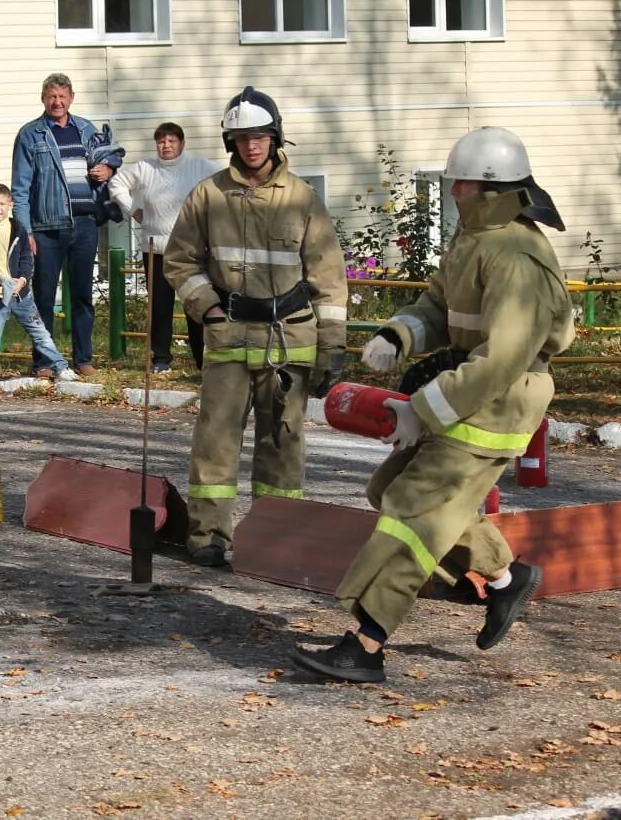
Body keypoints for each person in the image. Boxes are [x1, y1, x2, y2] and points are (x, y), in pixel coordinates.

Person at [292, 126, 575, 683]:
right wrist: (399, 335)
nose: (451, 192)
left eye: (459, 183)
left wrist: (421, 409)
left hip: (496, 404)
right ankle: (505, 578)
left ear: (486, 187)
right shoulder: (475, 240)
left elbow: (501, 360)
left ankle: (367, 644)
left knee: (415, 509)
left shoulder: (517, 254)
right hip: (472, 394)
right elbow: (440, 308)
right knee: (388, 491)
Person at [165, 87, 348, 567]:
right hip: (228, 335)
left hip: (290, 340)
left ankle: (277, 538)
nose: (252, 146)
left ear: (275, 137)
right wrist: (208, 308)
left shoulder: (303, 198)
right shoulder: (208, 195)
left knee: (282, 446)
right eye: (243, 138)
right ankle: (208, 538)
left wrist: (333, 346)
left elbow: (327, 275)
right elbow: (180, 261)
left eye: (261, 136)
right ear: (231, 141)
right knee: (215, 444)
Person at [11, 73, 115, 377]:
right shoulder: (31, 135)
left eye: (62, 96)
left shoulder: (86, 129)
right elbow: (20, 188)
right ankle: (44, 361)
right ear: (43, 99)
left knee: (82, 294)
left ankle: (83, 359)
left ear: (71, 98)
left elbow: (108, 161)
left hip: (84, 224)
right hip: (46, 228)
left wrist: (107, 169)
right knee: (43, 296)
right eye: (51, 96)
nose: (57, 102)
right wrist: (25, 231)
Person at [108, 122, 220, 372]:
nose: (166, 146)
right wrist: (133, 210)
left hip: (191, 251)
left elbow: (226, 184)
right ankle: (160, 359)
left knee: (196, 303)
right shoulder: (146, 168)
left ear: (182, 143)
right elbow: (116, 184)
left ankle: (202, 361)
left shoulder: (199, 166)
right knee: (159, 307)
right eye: (161, 141)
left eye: (171, 141)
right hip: (155, 249)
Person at [0, 183, 78, 401]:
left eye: (1, 204)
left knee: (40, 333)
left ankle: (60, 366)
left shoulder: (18, 229)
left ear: (11, 205)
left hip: (21, 294)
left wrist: (23, 279)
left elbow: (27, 259)